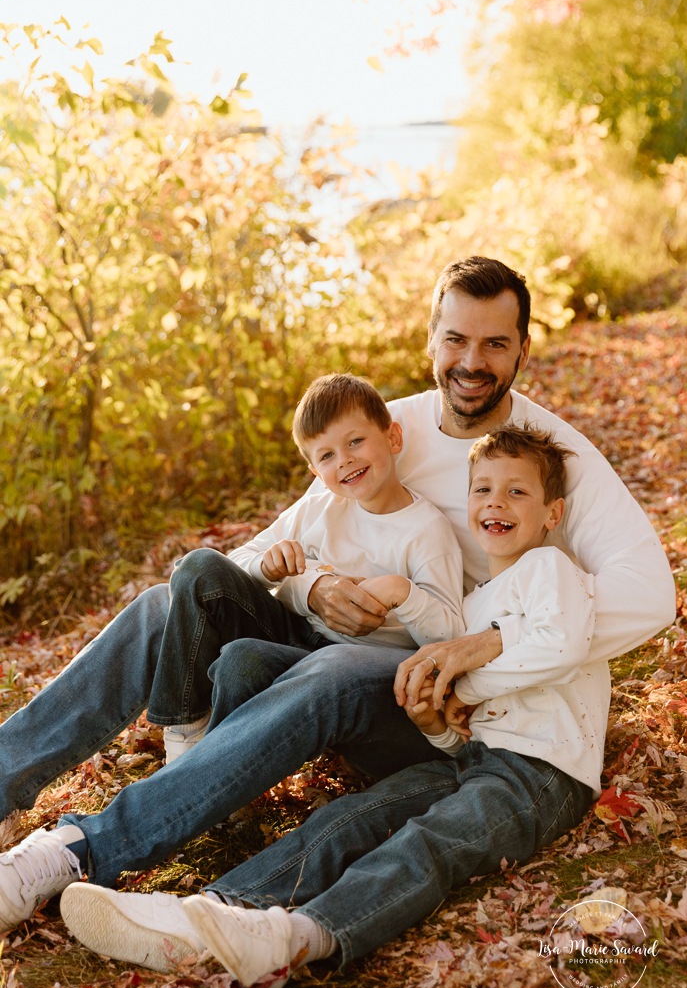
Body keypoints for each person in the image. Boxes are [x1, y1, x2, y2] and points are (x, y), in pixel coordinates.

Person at [0, 257, 674, 937]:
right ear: (430, 339)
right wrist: (314, 586)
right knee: (164, 605)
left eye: (495, 344)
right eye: (456, 340)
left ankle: (80, 849)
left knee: (337, 669)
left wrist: (489, 650)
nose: (472, 362)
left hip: (423, 699)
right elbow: (258, 554)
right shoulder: (386, 430)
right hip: (340, 643)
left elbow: (648, 595)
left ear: (523, 349)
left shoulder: (554, 457)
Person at [57, 425, 607, 988]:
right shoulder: (471, 605)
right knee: (348, 819)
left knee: (430, 844)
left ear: (552, 513)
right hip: (469, 759)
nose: (495, 502)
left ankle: (301, 935)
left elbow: (561, 647)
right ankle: (219, 910)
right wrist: (434, 724)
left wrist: (465, 684)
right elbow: (464, 727)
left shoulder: (552, 569)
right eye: (482, 490)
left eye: (517, 492)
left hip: (542, 771)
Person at [0, 372, 465, 931]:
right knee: (181, 589)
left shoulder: (427, 527)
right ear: (313, 467)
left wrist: (402, 594)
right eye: (327, 455)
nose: (344, 461)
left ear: (392, 438)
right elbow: (236, 562)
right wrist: (293, 578)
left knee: (255, 657)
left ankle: (164, 794)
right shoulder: (324, 502)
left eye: (355, 443)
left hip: (374, 681)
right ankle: (168, 735)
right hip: (301, 645)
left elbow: (448, 633)